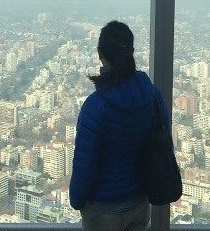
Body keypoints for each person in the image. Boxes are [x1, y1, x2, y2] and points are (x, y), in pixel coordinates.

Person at [70, 20, 171, 231]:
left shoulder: (96, 107)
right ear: (131, 52)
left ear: (100, 53)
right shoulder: (152, 95)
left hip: (103, 209)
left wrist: (77, 200)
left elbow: (85, 164)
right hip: (140, 202)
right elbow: (163, 142)